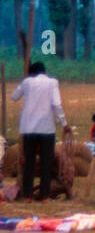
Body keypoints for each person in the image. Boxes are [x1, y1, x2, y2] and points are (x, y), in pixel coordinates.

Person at [10, 61, 71, 202]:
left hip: (28, 128)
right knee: (46, 162)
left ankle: (28, 196)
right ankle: (44, 196)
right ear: (44, 71)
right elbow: (56, 104)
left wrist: (24, 84)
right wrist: (64, 123)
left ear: (32, 73)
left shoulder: (27, 82)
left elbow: (14, 97)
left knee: (28, 161)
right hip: (46, 128)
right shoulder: (52, 83)